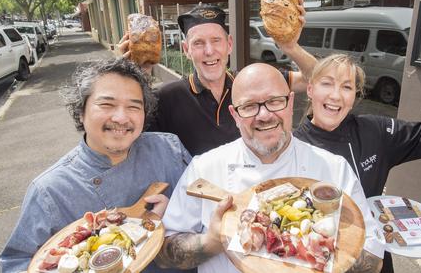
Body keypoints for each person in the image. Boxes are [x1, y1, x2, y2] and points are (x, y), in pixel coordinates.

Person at [155, 63, 385, 273]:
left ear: (291, 103)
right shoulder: (204, 168)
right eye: (249, 106)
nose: (264, 115)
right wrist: (212, 241)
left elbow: (372, 256)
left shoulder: (334, 169)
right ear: (235, 115)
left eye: (275, 101)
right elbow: (164, 254)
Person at [0, 58, 191, 273]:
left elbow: (203, 209)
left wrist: (173, 215)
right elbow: (17, 263)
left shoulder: (168, 148)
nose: (121, 117)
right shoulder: (50, 190)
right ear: (81, 111)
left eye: (133, 106)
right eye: (107, 104)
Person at [293, 53, 421, 273]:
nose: (336, 95)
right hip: (314, 261)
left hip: (372, 259)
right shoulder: (293, 148)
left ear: (355, 95)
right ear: (310, 90)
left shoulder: (375, 131)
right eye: (327, 84)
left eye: (347, 87)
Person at [119, 3, 317, 156]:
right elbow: (126, 137)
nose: (209, 51)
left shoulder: (249, 84)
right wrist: (132, 73)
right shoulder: (167, 98)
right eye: (198, 43)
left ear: (229, 45)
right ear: (186, 50)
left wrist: (291, 47)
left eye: (216, 40)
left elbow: (314, 79)